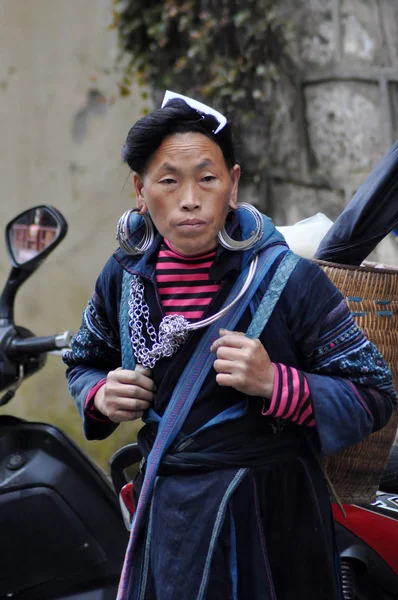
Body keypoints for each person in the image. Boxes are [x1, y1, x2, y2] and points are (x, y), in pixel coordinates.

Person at [64, 91, 397, 600]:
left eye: (207, 178)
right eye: (169, 181)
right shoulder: (123, 277)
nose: (190, 199)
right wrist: (99, 396)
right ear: (140, 189)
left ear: (233, 184)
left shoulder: (290, 281)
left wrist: (276, 382)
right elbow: (84, 361)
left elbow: (374, 395)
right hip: (170, 517)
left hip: (272, 521)